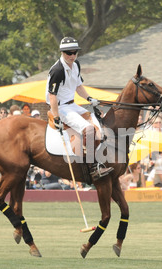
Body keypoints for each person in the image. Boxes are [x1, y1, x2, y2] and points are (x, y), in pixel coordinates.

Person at [46, 36, 113, 181]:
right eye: (68, 53)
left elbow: (78, 86)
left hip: (73, 105)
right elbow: (52, 96)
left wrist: (89, 99)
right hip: (60, 107)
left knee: (99, 124)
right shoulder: (57, 70)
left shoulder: (76, 65)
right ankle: (92, 169)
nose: (71, 56)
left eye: (74, 52)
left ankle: (98, 159)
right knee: (88, 130)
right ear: (62, 53)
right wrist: (56, 117)